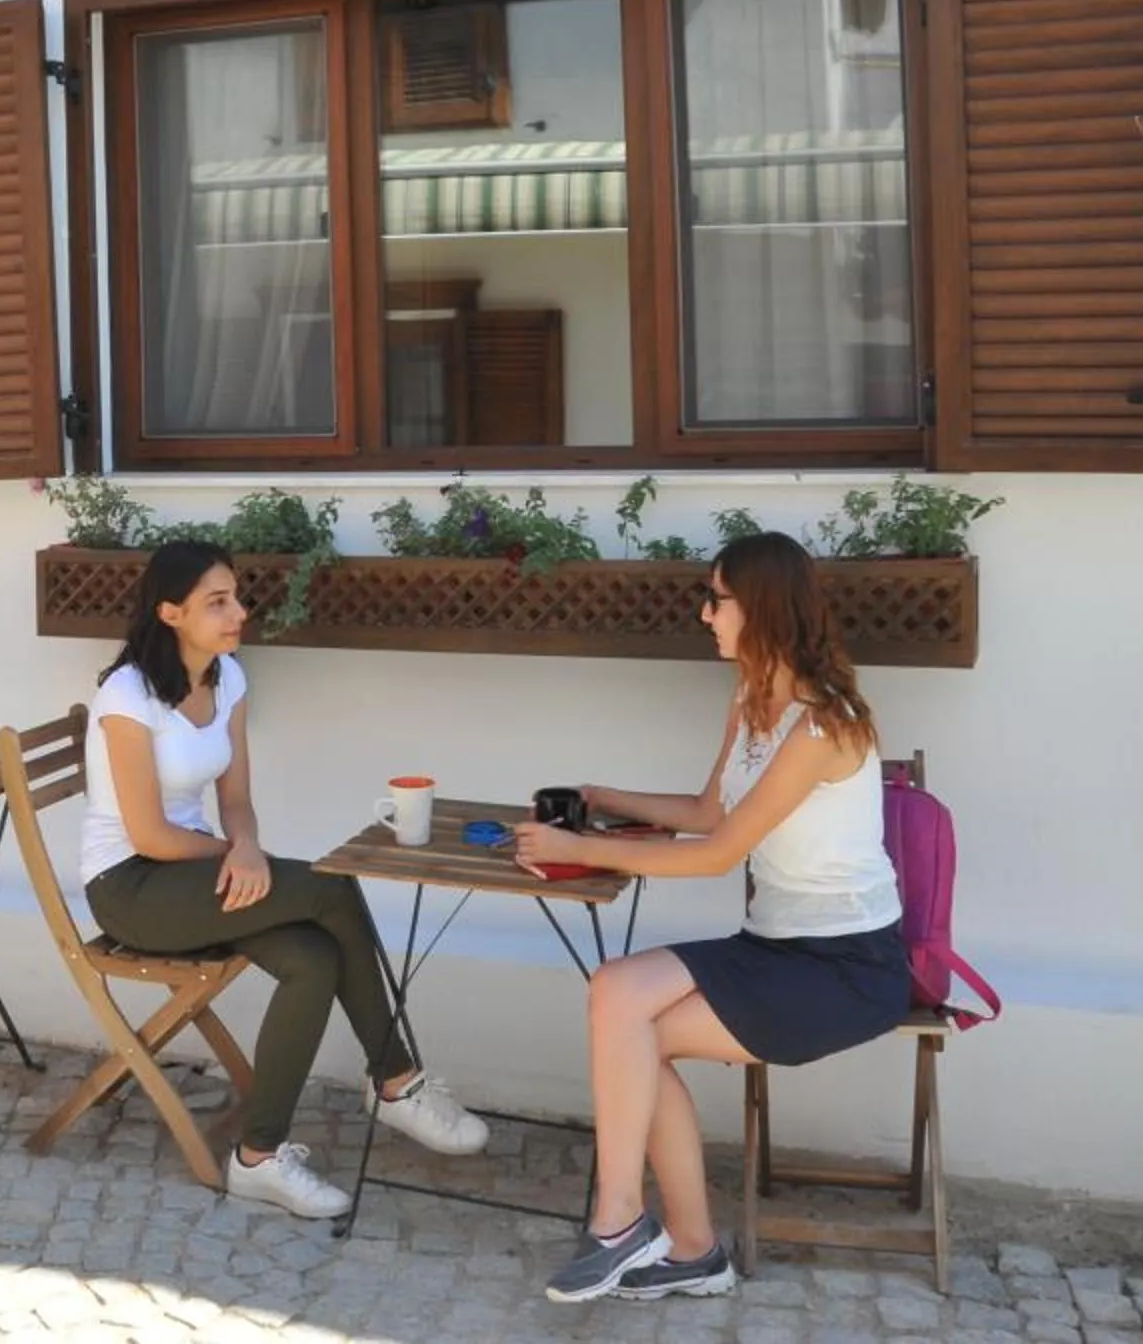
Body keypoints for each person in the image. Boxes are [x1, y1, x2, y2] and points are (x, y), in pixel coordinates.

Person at [510, 531, 910, 1303]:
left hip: (846, 967)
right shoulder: (753, 701)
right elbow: (708, 810)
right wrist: (605, 802)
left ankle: (636, 1230)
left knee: (635, 1032)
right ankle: (668, 1243)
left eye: (716, 599)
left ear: (759, 609)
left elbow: (718, 852)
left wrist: (579, 845)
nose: (704, 614)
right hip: (773, 946)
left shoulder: (825, 725)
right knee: (616, 991)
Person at [80, 539, 490, 1217]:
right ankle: (395, 1079)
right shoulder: (126, 697)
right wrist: (233, 855)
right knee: (332, 885)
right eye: (217, 602)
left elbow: (236, 798)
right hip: (132, 888)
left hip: (202, 873)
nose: (237, 611)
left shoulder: (227, 678)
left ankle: (257, 1157)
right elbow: (148, 834)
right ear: (171, 612)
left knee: (314, 956)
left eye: (236, 596)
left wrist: (244, 846)